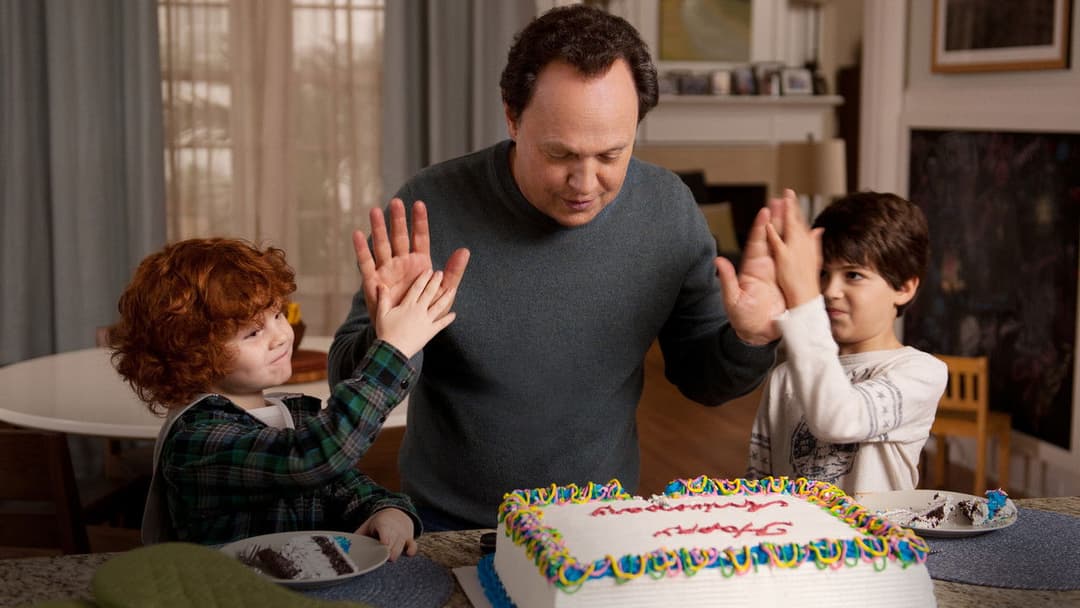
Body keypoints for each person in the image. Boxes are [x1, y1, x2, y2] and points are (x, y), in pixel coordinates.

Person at [329, 4, 787, 530]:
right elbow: (347, 381)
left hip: (596, 525)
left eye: (611, 155)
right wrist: (394, 336)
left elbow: (705, 380)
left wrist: (750, 339)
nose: (585, 183)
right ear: (511, 116)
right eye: (560, 155)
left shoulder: (667, 209)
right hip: (445, 525)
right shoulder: (431, 206)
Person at [111, 238, 458, 558]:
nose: (279, 336)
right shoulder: (196, 438)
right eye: (252, 332)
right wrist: (394, 350)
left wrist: (389, 511)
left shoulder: (289, 414)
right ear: (190, 355)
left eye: (277, 314)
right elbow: (313, 456)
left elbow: (345, 485)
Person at [746, 190, 947, 494]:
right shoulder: (784, 378)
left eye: (853, 275)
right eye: (823, 273)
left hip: (874, 542)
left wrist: (802, 298)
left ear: (904, 288)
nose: (830, 290)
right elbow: (758, 482)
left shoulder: (920, 372)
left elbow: (838, 419)